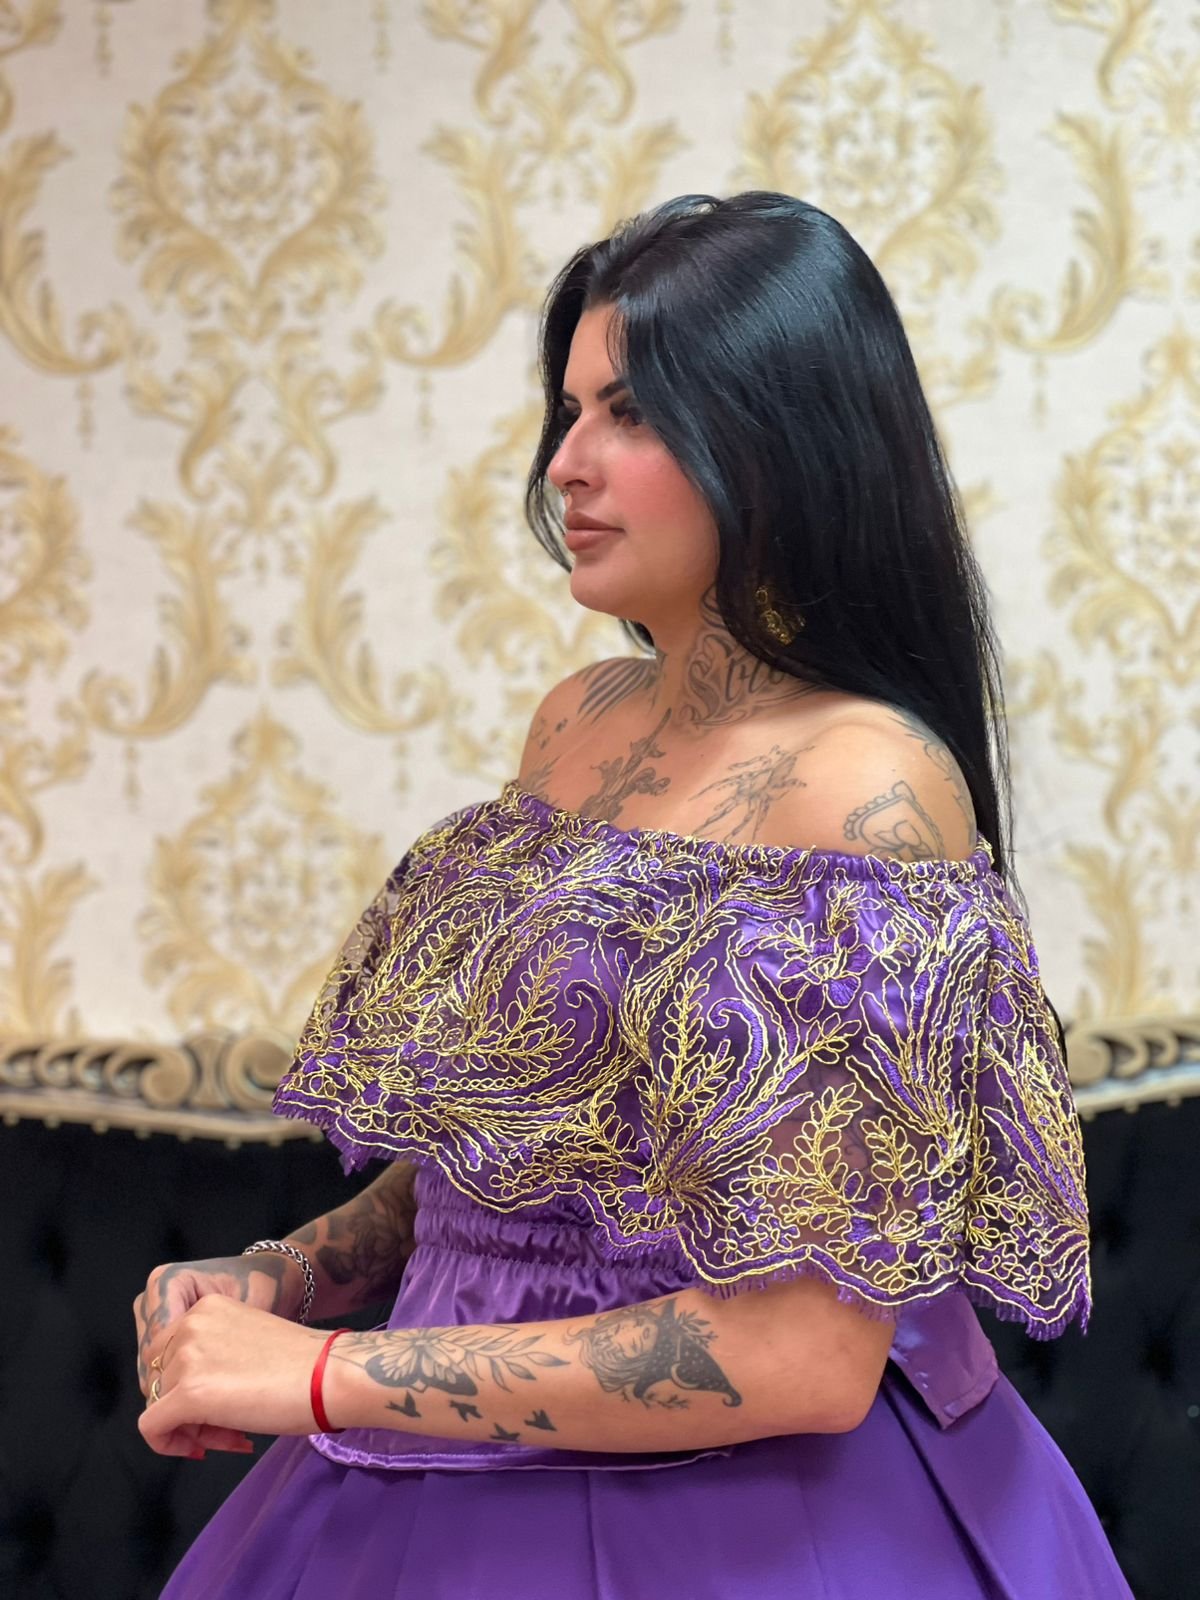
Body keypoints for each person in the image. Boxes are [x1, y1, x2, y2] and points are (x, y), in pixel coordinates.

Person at [137, 191, 1134, 1598]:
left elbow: (803, 1353)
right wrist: (291, 1277)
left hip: (747, 1525)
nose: (566, 465)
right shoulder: (579, 721)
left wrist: (319, 1374)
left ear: (779, 442)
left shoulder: (864, 785)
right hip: (426, 1467)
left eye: (633, 415)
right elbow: (531, 1152)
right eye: (568, 412)